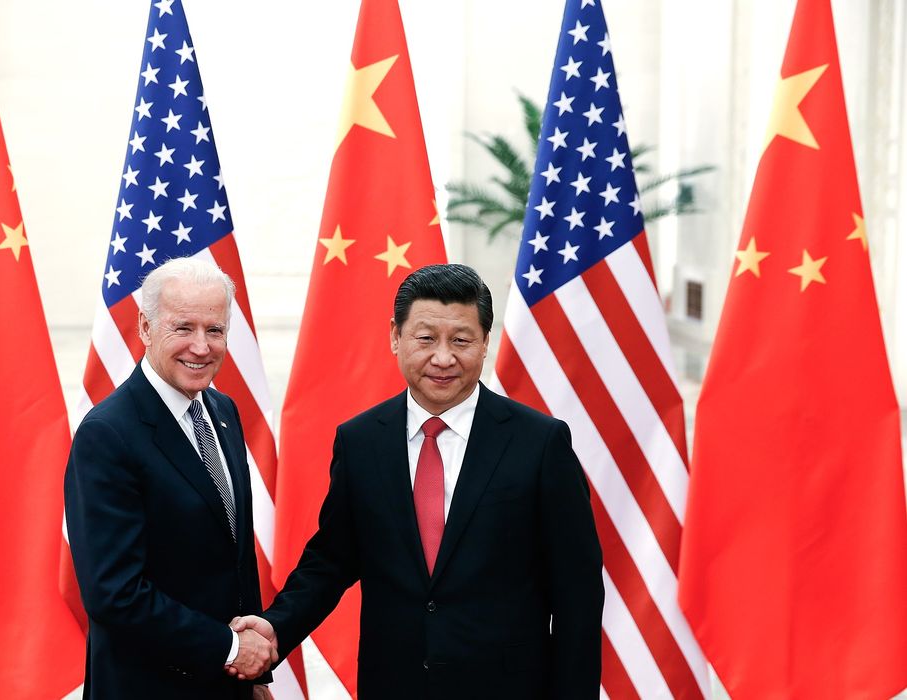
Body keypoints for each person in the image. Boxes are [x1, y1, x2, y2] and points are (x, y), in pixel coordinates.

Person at [235, 263, 604, 698]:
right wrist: (276, 628)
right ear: (396, 336)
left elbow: (578, 595)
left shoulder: (540, 443)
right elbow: (331, 561)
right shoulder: (360, 441)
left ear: (486, 342)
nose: (443, 358)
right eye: (426, 338)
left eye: (461, 340)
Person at [65, 257, 275, 699]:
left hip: (227, 685)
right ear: (145, 327)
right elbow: (114, 593)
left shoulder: (223, 411)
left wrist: (253, 678)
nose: (201, 347)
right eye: (183, 328)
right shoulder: (108, 434)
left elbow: (234, 557)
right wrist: (231, 648)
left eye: (214, 330)